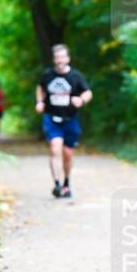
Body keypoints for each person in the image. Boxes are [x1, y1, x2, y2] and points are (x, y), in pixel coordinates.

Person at [36, 44, 92, 199]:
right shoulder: (47, 75)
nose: (60, 60)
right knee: (55, 148)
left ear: (68, 58)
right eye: (57, 57)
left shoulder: (76, 76)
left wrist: (81, 100)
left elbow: (88, 92)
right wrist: (40, 102)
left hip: (70, 119)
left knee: (68, 154)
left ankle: (67, 183)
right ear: (54, 59)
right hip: (51, 118)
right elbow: (40, 88)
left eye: (62, 57)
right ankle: (57, 184)